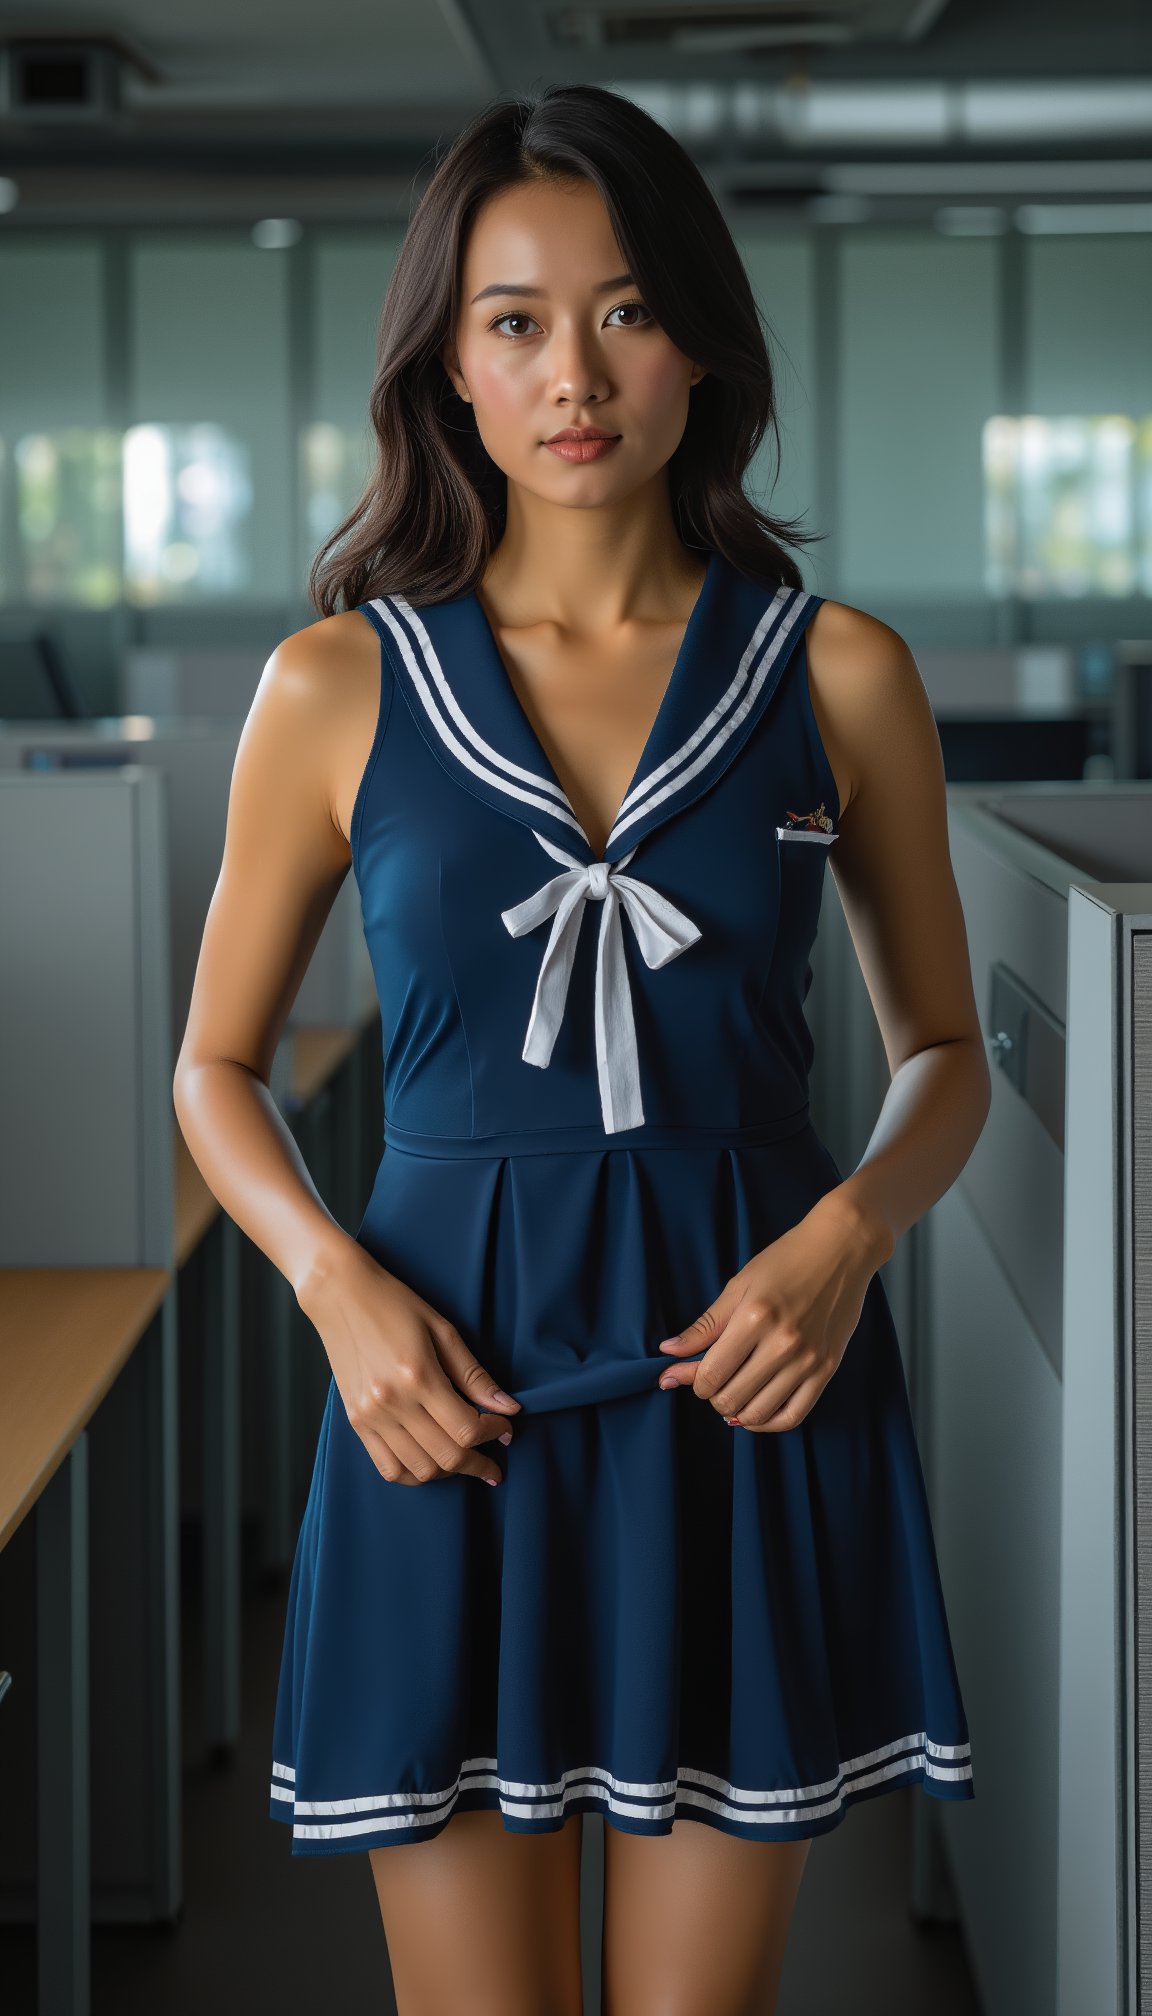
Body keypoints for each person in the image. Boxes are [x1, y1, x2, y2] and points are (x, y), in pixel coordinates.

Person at [173, 81, 989, 2016]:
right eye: (516, 320)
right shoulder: (335, 684)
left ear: (701, 338)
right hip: (441, 1390)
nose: (575, 373)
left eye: (624, 311)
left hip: (747, 1382)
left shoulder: (838, 671)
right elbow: (212, 1070)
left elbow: (943, 1048)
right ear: (447, 365)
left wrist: (847, 1237)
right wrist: (335, 1293)